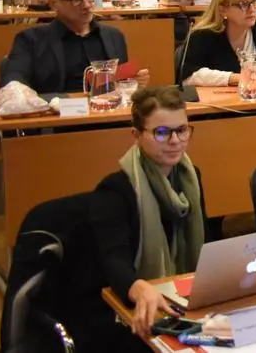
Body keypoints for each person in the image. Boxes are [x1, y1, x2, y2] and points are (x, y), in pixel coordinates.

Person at [91, 86, 213, 340]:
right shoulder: (114, 190)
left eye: (182, 130)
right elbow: (114, 261)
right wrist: (139, 287)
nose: (175, 141)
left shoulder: (191, 177)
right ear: (136, 135)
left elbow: (207, 244)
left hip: (184, 302)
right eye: (162, 132)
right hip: (131, 314)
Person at [1, 0, 150, 93]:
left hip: (106, 113)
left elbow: (120, 87)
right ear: (53, 4)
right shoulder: (30, 40)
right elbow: (12, 87)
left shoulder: (114, 36)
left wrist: (134, 83)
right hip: (57, 117)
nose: (86, 5)